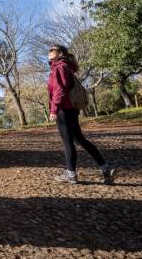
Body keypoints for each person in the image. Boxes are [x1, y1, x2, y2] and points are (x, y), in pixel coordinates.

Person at [48, 44, 115, 184]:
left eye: (51, 50)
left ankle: (71, 174)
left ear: (60, 53)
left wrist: (54, 109)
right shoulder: (66, 67)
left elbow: (59, 90)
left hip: (63, 109)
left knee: (68, 142)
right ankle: (105, 167)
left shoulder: (59, 67)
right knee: (79, 140)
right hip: (71, 108)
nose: (49, 52)